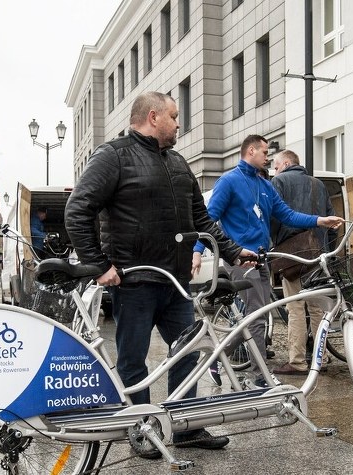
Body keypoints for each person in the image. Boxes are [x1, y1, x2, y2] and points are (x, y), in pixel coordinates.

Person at [64, 91, 256, 453]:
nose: (179, 123)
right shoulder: (113, 156)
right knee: (134, 361)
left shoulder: (179, 163)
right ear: (153, 117)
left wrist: (233, 251)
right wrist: (99, 265)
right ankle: (142, 430)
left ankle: (185, 428)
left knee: (188, 352)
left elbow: (202, 220)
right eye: (174, 116)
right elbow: (78, 210)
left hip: (176, 283)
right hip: (134, 281)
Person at [192, 135, 343, 387]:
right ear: (250, 151)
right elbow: (208, 219)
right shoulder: (228, 181)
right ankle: (260, 375)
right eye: (264, 152)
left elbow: (287, 215)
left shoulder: (265, 185)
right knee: (257, 317)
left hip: (262, 259)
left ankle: (216, 359)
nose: (268, 158)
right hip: (240, 259)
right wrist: (197, 250)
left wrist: (320, 220)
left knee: (256, 316)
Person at [269, 150, 338, 375]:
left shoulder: (278, 182)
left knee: (295, 308)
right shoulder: (319, 185)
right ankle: (322, 358)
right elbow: (331, 219)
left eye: (276, 166)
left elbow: (273, 217)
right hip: (319, 255)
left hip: (293, 256)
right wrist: (329, 252)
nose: (275, 170)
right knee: (317, 308)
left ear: (287, 163)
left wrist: (273, 244)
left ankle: (297, 361)